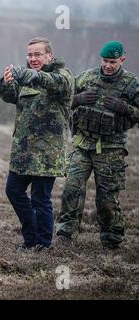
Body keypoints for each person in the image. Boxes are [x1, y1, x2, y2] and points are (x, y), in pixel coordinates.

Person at [56, 41, 139, 249]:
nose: (108, 66)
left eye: (112, 62)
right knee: (71, 189)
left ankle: (111, 239)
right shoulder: (87, 77)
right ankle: (66, 234)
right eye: (105, 61)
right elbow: (62, 101)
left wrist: (125, 108)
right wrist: (78, 99)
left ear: (122, 60)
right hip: (83, 144)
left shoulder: (131, 84)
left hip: (111, 148)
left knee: (106, 198)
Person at [0, 37, 74, 252]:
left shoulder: (62, 75)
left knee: (41, 199)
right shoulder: (26, 77)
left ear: (49, 55)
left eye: (38, 54)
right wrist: (7, 82)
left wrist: (31, 75)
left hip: (47, 153)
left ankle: (43, 243)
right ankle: (31, 238)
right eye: (30, 55)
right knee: (13, 191)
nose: (33, 59)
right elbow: (10, 96)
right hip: (23, 151)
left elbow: (59, 84)